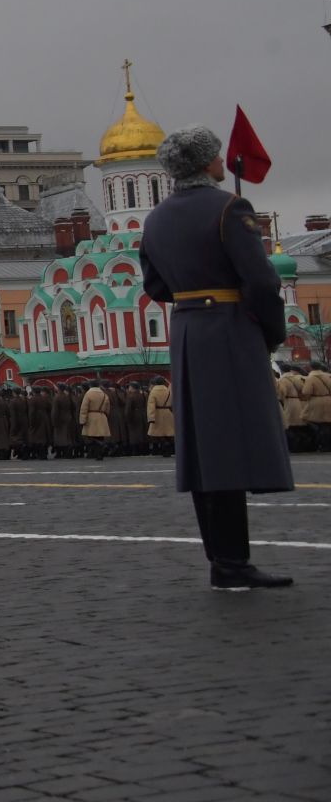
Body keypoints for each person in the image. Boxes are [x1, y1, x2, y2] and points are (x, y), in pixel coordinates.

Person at [139, 124, 293, 590]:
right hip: (230, 328)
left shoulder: (156, 219)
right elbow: (263, 281)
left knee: (206, 450)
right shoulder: (230, 207)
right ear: (206, 163)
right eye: (216, 156)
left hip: (187, 331)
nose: (222, 162)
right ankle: (232, 563)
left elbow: (155, 286)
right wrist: (268, 330)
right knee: (229, 446)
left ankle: (221, 559)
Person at [78, 382, 112, 460]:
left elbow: (84, 408)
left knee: (91, 436)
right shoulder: (104, 395)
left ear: (90, 385)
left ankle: (102, 446)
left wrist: (82, 419)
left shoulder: (88, 394)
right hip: (102, 416)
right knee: (100, 436)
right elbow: (108, 407)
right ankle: (100, 454)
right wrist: (105, 415)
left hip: (91, 416)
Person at [303, 364, 331, 452]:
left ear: (311, 367)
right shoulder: (328, 376)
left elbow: (306, 391)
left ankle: (324, 445)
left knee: (317, 423)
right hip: (328, 399)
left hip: (316, 401)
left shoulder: (311, 377)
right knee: (327, 423)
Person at [146, 377, 175, 456]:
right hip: (168, 413)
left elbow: (151, 405)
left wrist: (151, 417)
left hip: (158, 413)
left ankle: (164, 447)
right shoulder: (168, 390)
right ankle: (169, 448)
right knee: (168, 432)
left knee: (159, 434)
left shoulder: (153, 392)